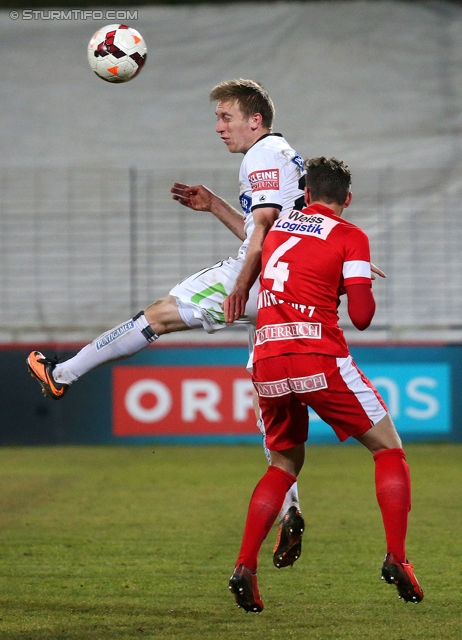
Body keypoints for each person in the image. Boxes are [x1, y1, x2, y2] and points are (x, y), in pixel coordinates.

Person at [27, 79, 308, 566]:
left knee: (157, 315)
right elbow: (272, 227)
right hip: (290, 290)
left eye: (226, 117)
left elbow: (261, 233)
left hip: (257, 278)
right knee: (271, 410)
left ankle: (62, 375)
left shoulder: (260, 156)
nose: (219, 127)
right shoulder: (285, 155)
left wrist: (241, 286)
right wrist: (216, 204)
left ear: (255, 119)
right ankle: (290, 512)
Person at [228, 157, 424, 613]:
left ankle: (244, 567)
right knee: (388, 450)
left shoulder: (277, 228)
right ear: (347, 199)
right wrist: (355, 277)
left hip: (268, 359)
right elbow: (362, 317)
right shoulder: (351, 237)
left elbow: (274, 261)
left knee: (282, 465)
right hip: (318, 356)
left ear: (306, 195)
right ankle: (397, 557)